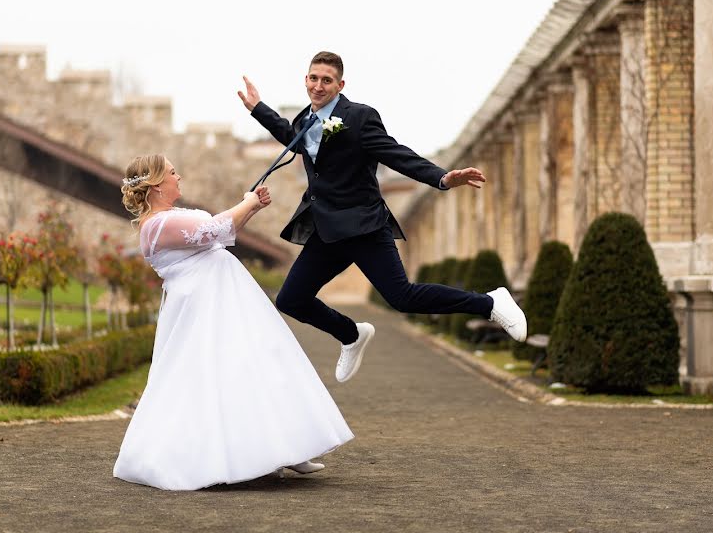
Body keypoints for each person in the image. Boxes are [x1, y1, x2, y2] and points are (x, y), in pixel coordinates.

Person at [238, 51, 527, 384]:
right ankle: (351, 335)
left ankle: (490, 303)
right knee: (291, 299)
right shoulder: (306, 120)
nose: (318, 86)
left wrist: (442, 178)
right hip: (326, 229)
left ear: (340, 84)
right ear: (306, 80)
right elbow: (295, 139)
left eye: (326, 80)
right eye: (313, 78)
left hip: (364, 227)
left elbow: (394, 152)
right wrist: (259, 109)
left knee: (402, 297)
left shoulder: (359, 116)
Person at [112, 154, 353, 491]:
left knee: (258, 366)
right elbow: (214, 230)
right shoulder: (157, 225)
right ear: (154, 184)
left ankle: (287, 448)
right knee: (219, 379)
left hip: (225, 300)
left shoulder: (171, 217)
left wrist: (251, 208)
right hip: (203, 310)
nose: (178, 176)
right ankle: (239, 455)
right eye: (171, 172)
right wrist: (246, 203)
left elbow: (222, 234)